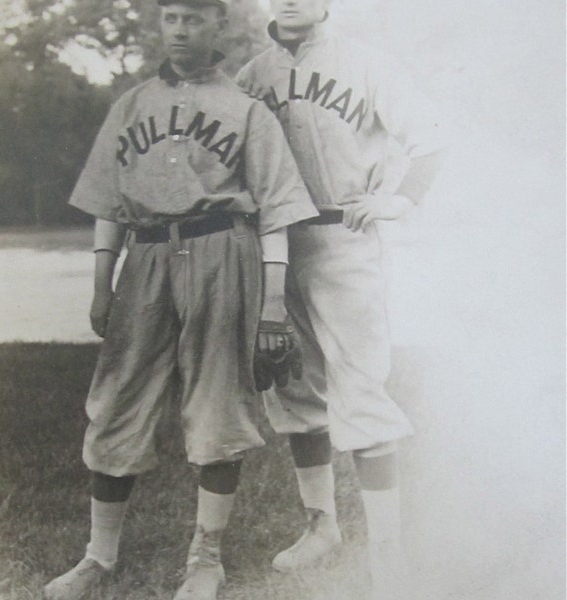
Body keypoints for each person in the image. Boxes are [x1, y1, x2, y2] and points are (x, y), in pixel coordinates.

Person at [43, 1, 318, 599]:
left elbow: (276, 214)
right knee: (116, 401)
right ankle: (98, 557)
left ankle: (206, 558)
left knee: (219, 403)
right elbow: (108, 205)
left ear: (217, 26)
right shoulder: (131, 104)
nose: (180, 29)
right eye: (170, 17)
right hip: (143, 259)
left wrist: (272, 306)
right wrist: (100, 284)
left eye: (193, 18)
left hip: (223, 253)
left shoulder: (245, 110)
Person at [236, 0, 445, 597]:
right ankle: (321, 524)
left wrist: (397, 202)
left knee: (360, 388)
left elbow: (430, 141)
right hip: (275, 243)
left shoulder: (366, 63)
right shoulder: (252, 76)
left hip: (343, 238)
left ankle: (388, 556)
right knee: (294, 385)